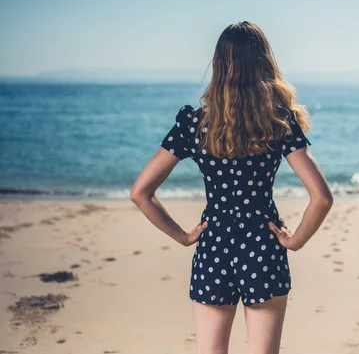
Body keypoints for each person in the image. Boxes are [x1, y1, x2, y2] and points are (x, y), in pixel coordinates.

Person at [129, 21, 334, 354]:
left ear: (219, 67)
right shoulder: (278, 122)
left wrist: (182, 236)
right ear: (264, 65)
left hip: (214, 247)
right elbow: (322, 198)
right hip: (263, 246)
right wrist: (294, 241)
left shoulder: (194, 124)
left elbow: (140, 192)